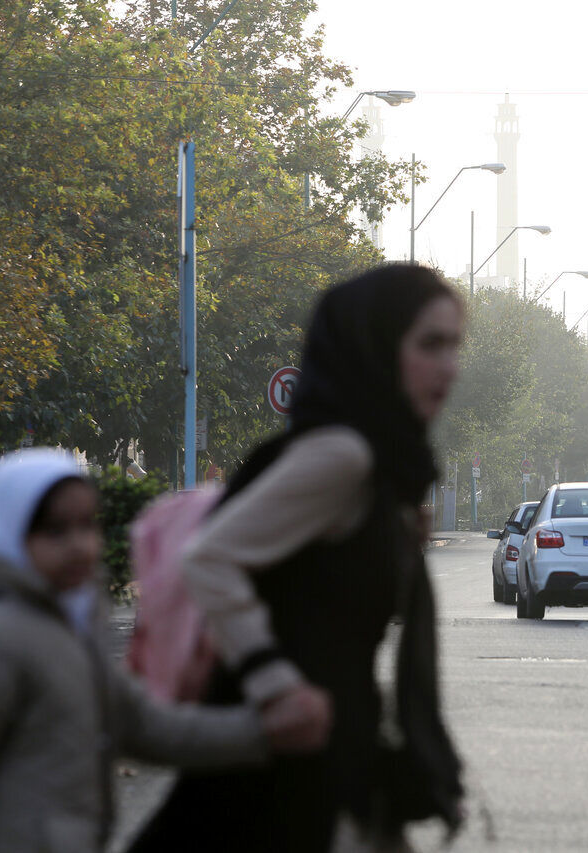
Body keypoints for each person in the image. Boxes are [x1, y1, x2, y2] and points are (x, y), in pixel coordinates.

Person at [130, 264, 467, 851]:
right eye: (429, 344)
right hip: (281, 767)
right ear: (378, 346)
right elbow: (209, 558)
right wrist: (275, 684)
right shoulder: (344, 453)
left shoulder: (383, 469)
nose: (448, 366)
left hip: (331, 755)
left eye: (454, 345)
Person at [0, 448, 307, 853]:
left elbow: (143, 724)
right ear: (8, 533)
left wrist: (263, 732)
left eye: (88, 525)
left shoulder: (69, 626)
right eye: (55, 530)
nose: (80, 545)